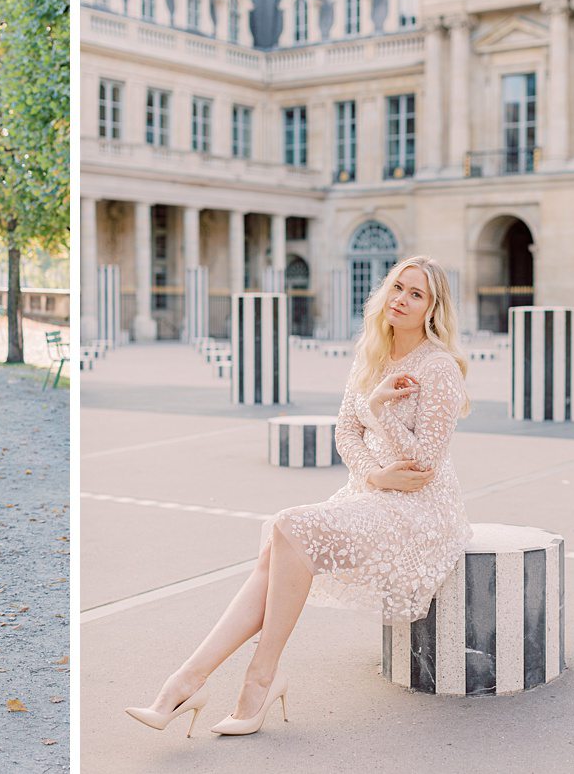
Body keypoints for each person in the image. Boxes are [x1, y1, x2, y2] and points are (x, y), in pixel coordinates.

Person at [125, 255, 472, 737]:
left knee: (287, 528)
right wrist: (373, 477)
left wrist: (381, 410)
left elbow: (425, 465)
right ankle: (195, 682)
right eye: (398, 287)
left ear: (433, 309)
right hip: (370, 494)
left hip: (420, 511)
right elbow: (346, 432)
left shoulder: (439, 367)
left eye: (417, 294)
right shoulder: (371, 354)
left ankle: (239, 680)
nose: (402, 300)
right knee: (280, 544)